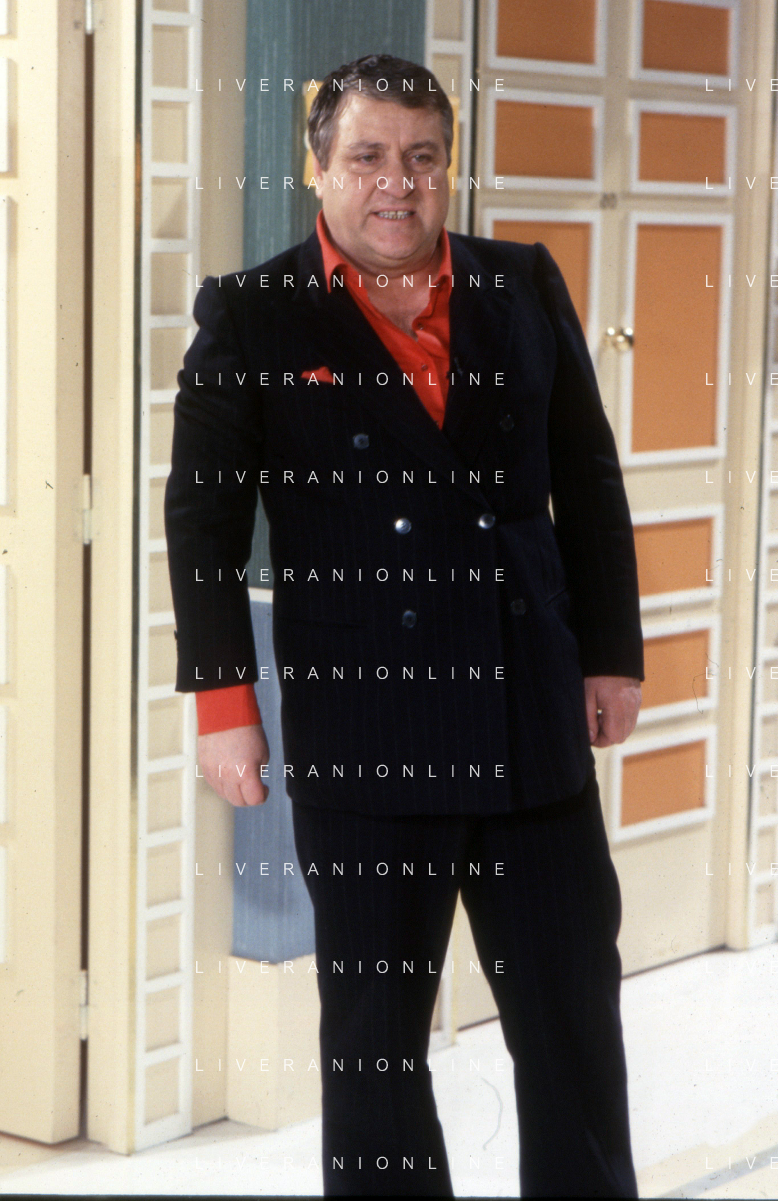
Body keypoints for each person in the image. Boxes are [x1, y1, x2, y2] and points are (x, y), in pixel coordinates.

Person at [164, 53, 643, 1198]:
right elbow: (203, 522)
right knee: (375, 1042)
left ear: (448, 167)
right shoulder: (252, 313)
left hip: (527, 710)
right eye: (370, 155)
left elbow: (587, 476)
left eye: (424, 157)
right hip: (366, 728)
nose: (399, 182)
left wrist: (610, 655)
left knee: (571, 1018)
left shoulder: (521, 282)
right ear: (319, 167)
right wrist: (225, 704)